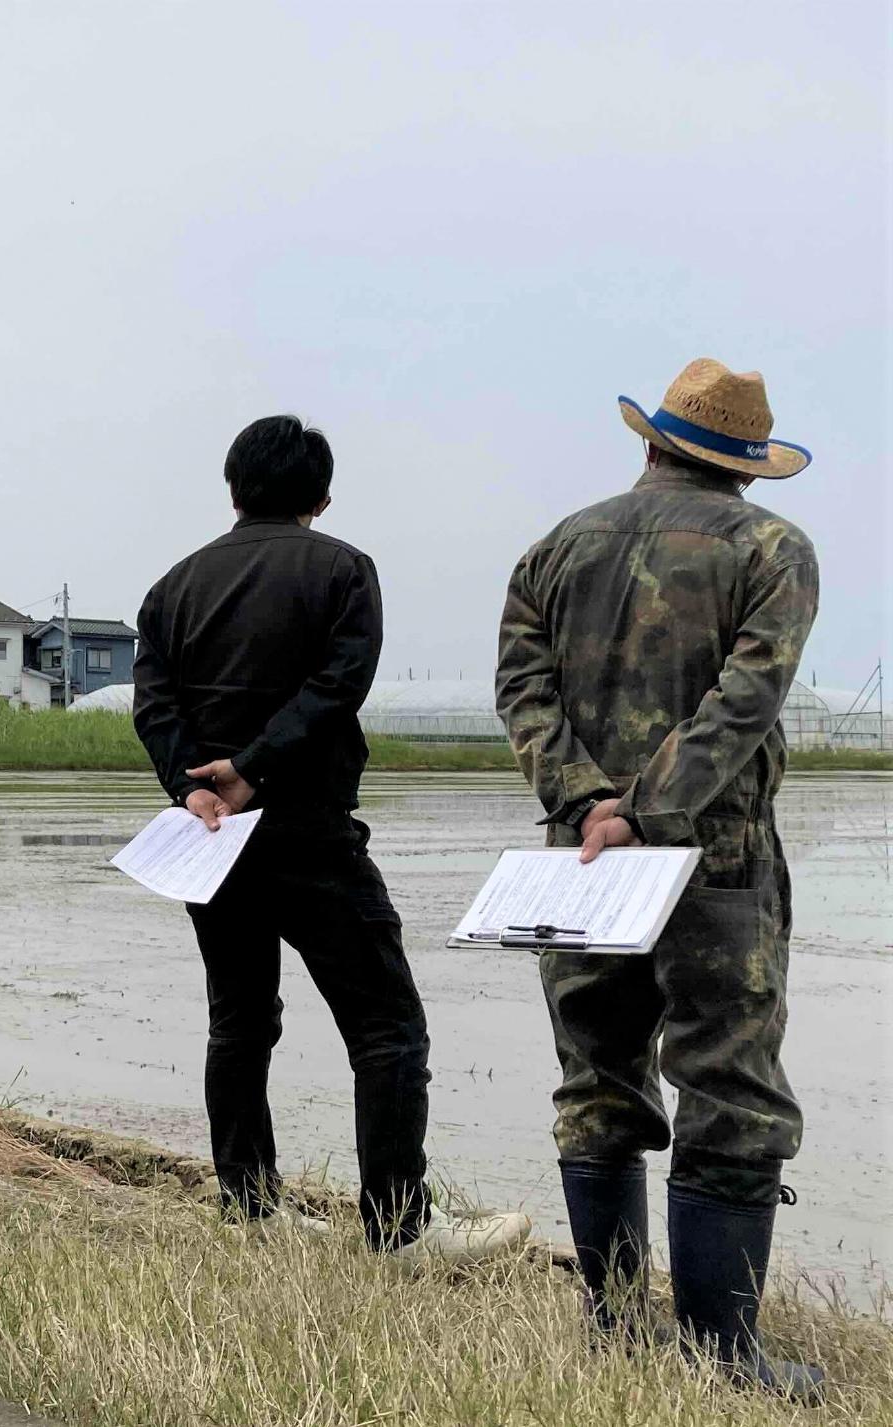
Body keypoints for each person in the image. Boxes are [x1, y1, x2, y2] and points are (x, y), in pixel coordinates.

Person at [495, 359, 821, 1398]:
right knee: (728, 1086)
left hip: (580, 858)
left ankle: (615, 1324)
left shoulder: (555, 547)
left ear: (649, 442)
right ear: (744, 470)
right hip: (713, 858)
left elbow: (520, 686)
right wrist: (652, 807)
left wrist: (588, 800)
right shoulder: (771, 549)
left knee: (596, 1078)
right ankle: (723, 1355)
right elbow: (743, 700)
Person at [135, 414, 531, 1264]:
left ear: (233, 489)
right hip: (309, 830)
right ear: (321, 495)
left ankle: (249, 1205)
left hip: (214, 838)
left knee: (238, 1021)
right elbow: (337, 686)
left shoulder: (172, 588)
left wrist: (197, 786)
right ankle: (398, 1228)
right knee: (387, 1027)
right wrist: (255, 768)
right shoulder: (343, 569)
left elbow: (154, 704)